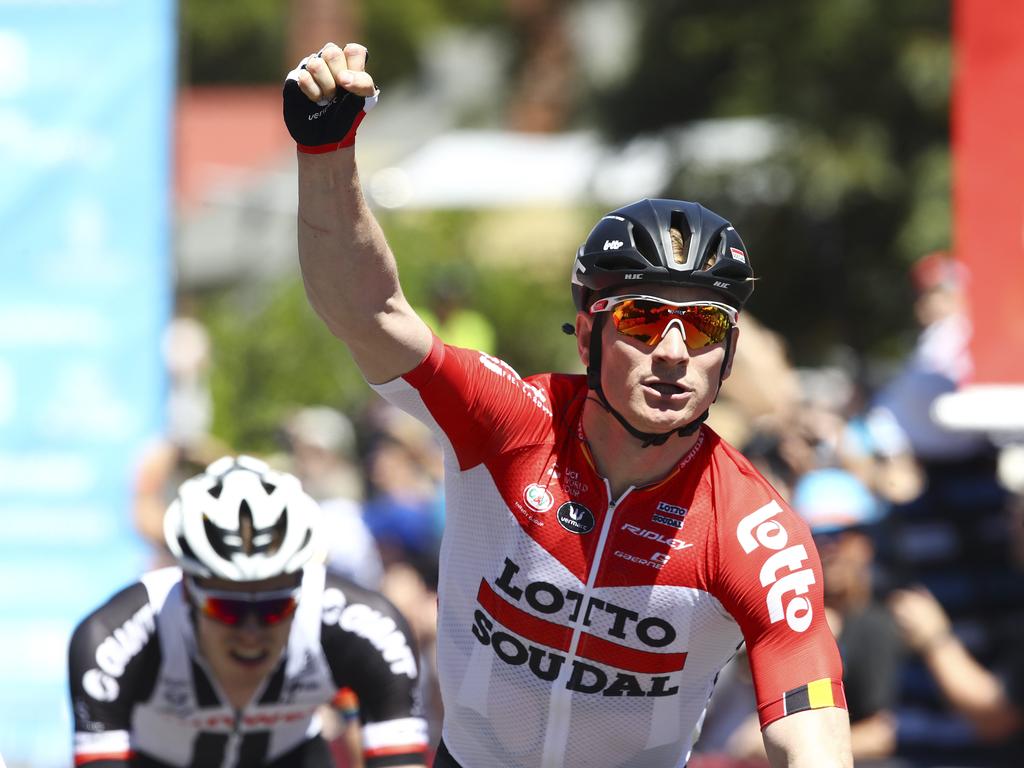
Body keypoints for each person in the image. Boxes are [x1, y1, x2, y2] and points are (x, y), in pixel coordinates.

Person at [281, 42, 852, 768]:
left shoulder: (751, 530)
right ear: (588, 332)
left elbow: (815, 731)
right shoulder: (510, 422)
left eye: (704, 326)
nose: (674, 351)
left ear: (728, 355)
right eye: (644, 320)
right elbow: (370, 314)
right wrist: (326, 149)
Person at [68, 455, 428, 768]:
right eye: (226, 608)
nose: (252, 631)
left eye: (276, 607)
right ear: (187, 594)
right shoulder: (116, 637)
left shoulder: (365, 625)